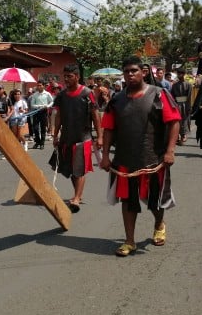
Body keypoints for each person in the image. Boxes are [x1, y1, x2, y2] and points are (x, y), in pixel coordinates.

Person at [99, 55, 180, 256]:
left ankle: (159, 224)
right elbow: (108, 128)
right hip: (124, 161)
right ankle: (129, 241)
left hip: (152, 159)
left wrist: (170, 151)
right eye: (126, 71)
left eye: (134, 70)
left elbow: (174, 122)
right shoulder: (116, 99)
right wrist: (106, 156)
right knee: (128, 200)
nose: (130, 74)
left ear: (143, 72)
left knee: (153, 200)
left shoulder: (159, 95)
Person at [52, 64, 103, 213]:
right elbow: (59, 116)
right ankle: (78, 195)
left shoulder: (87, 93)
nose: (66, 79)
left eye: (70, 76)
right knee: (70, 170)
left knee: (79, 170)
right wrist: (55, 135)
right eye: (65, 76)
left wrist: (99, 137)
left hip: (83, 137)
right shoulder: (61, 95)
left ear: (77, 76)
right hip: (67, 137)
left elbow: (95, 115)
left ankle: (76, 198)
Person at [29, 81, 53, 150]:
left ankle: (42, 143)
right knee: (35, 128)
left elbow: (52, 101)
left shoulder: (47, 94)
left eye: (40, 85)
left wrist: (47, 106)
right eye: (38, 85)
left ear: (43, 86)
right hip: (36, 112)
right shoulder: (35, 95)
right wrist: (39, 106)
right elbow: (32, 104)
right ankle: (37, 142)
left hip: (44, 112)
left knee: (43, 128)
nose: (38, 87)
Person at [171, 68, 192, 145]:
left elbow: (189, 97)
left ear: (183, 74)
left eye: (180, 74)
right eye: (178, 74)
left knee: (185, 120)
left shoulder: (188, 85)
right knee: (177, 121)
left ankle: (184, 134)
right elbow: (172, 96)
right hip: (176, 104)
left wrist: (188, 107)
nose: (179, 75)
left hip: (185, 104)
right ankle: (178, 135)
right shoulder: (174, 85)